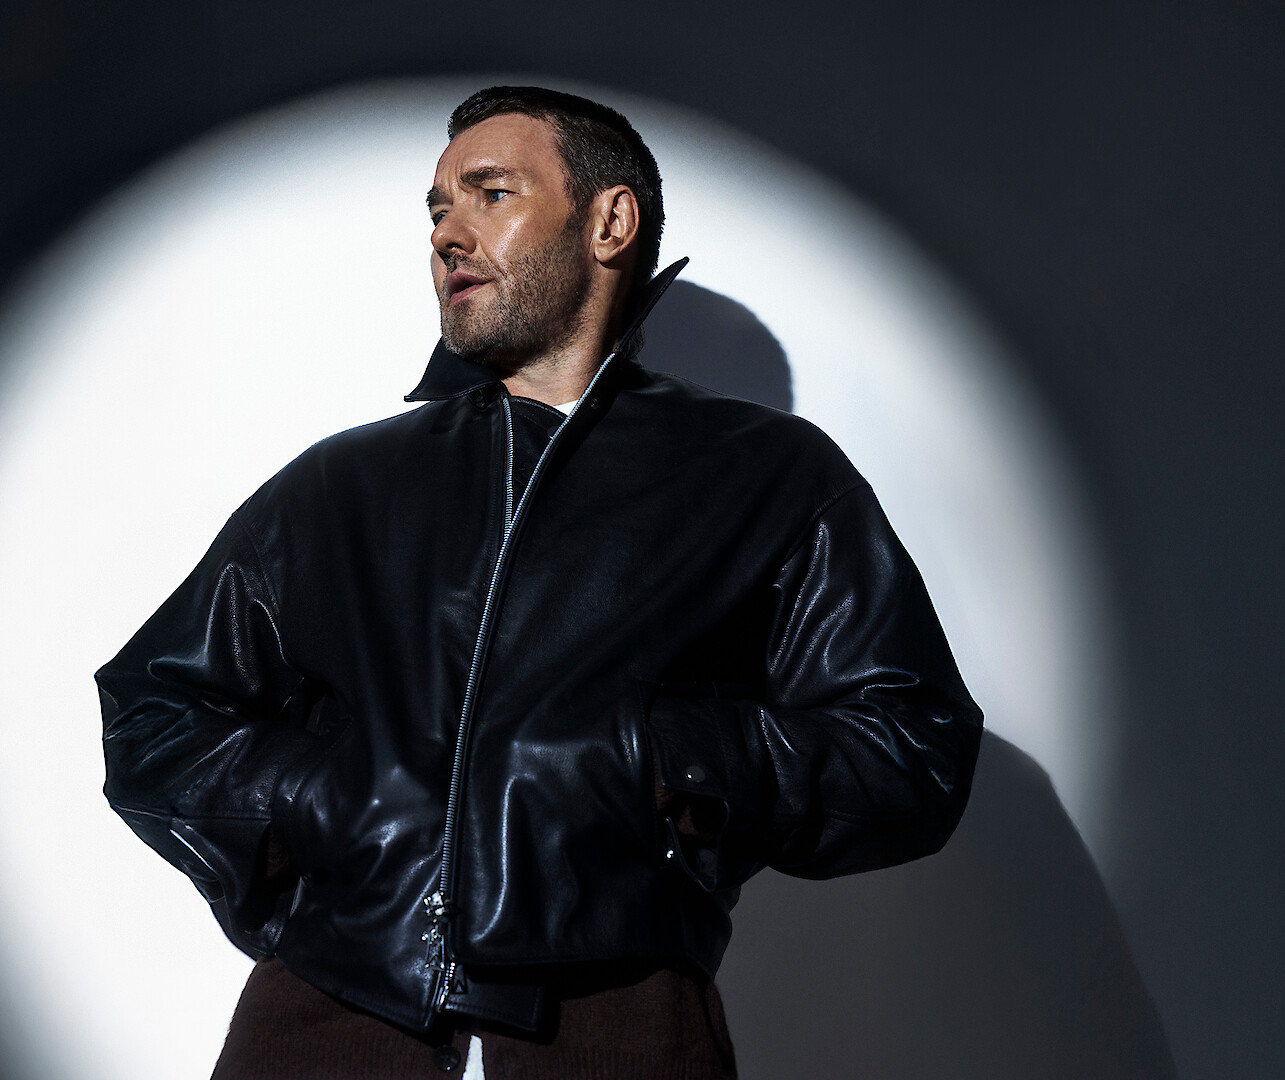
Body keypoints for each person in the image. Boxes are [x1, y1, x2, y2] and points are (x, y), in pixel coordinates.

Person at [95, 85, 984, 1079]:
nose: (447, 235)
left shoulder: (765, 476)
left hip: (622, 1016)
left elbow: (911, 747)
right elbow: (157, 706)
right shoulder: (344, 484)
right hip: (332, 1008)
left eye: (490, 194)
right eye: (438, 210)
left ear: (610, 222)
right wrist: (334, 800)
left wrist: (661, 759)